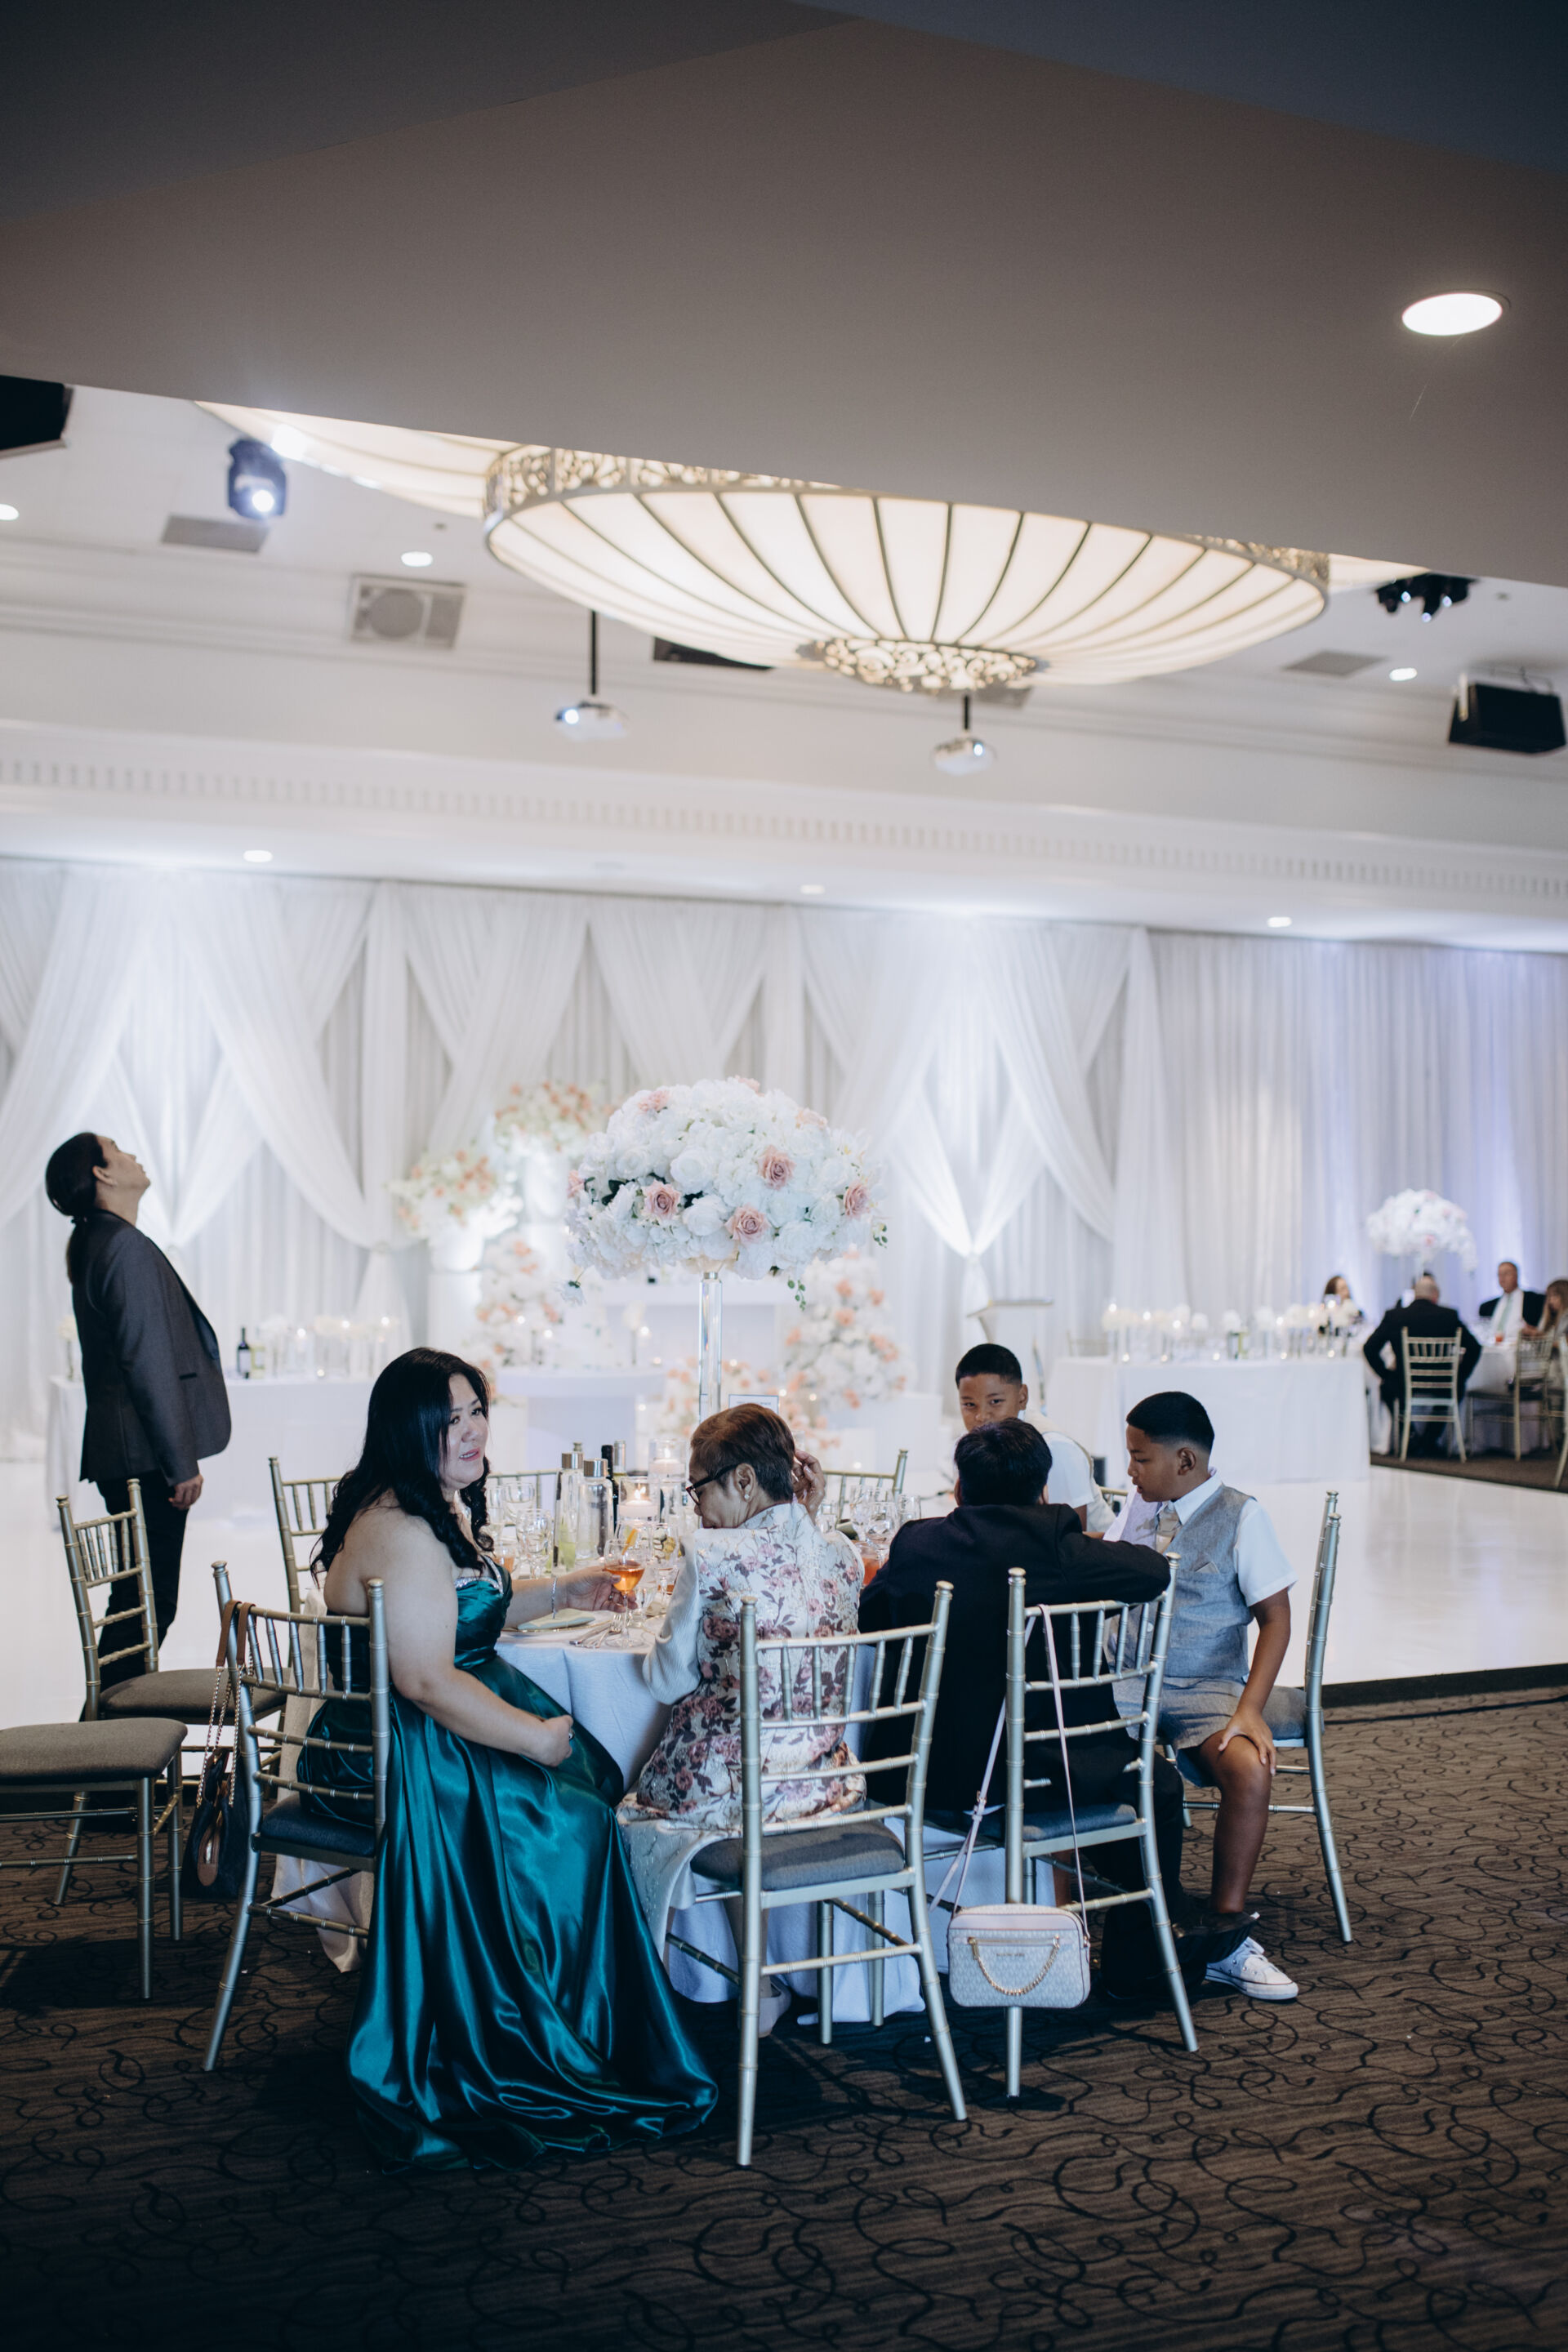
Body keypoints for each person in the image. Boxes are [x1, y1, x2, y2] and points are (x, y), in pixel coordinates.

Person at [298, 1347, 715, 2169]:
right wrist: (531, 1737)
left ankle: (575, 2011)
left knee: (588, 1786)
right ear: (408, 1430)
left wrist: (562, 1591)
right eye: (449, 1419)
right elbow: (424, 1678)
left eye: (476, 1412)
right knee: (576, 1818)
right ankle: (540, 2024)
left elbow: (461, 1612)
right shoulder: (402, 1531)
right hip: (395, 1746)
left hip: (431, 1718)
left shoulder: (426, 1506)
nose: (471, 1431)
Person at [859, 1418, 1246, 2003]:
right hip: (1034, 1780)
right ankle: (1142, 1954)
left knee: (1120, 1775)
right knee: (1155, 1784)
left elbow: (870, 1617)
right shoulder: (1060, 1548)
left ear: (959, 1489)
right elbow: (1152, 1574)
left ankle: (1155, 1928)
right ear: (1043, 1490)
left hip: (926, 1774)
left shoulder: (916, 1542)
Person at [623, 1404, 864, 2037]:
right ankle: (767, 1987)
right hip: (822, 1784)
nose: (696, 1506)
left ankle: (642, 2007)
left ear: (745, 1480)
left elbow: (665, 1681)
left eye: (698, 1489)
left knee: (615, 1806)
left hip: (731, 1791)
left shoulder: (713, 1553)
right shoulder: (841, 1553)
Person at [1111, 1390, 1302, 2002]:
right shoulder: (1140, 1507)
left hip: (1206, 1686)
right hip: (1127, 1680)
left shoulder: (1242, 1516)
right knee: (1069, 1751)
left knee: (1250, 1768)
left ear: (1185, 1461)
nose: (1130, 1471)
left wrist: (1249, 1710)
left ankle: (1226, 1935)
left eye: (1140, 1458)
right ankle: (1087, 1923)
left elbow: (1276, 1619)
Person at [45, 1130, 230, 1681]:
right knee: (146, 1610)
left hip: (128, 1455)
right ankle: (107, 1732)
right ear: (102, 1174)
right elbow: (148, 1363)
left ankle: (107, 1728)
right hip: (144, 1459)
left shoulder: (102, 1241)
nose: (134, 1156)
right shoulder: (122, 1246)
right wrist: (180, 1463)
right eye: (119, 1150)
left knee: (139, 1607)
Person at [953, 1341, 1112, 1532]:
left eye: (995, 1402)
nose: (981, 1417)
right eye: (969, 1405)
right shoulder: (971, 1445)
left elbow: (1074, 1538)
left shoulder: (1055, 1448)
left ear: (1022, 1397)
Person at [1361, 1272, 1481, 1448]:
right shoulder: (1448, 1316)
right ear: (1435, 1295)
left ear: (1414, 1294)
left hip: (1404, 1382)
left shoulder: (1395, 1316)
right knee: (1457, 1387)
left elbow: (1369, 1348)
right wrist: (1460, 1374)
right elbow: (1475, 1347)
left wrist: (1386, 1374)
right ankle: (1430, 1439)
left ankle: (1409, 1435)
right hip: (1442, 1382)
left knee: (1387, 1387)